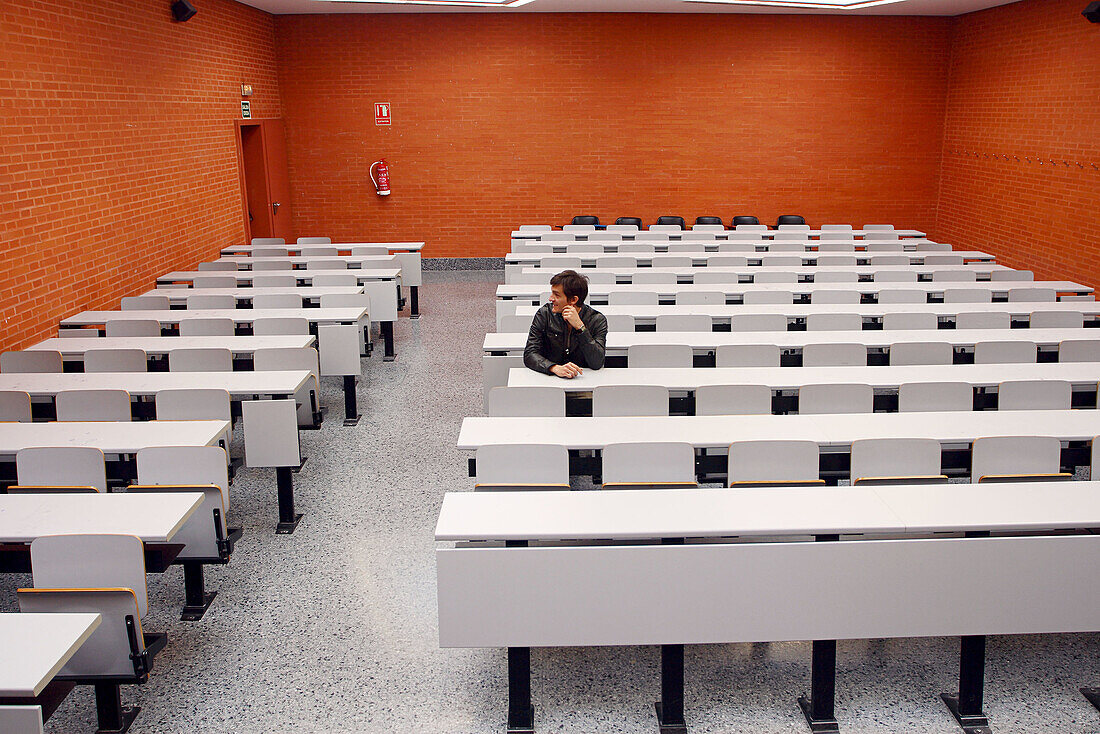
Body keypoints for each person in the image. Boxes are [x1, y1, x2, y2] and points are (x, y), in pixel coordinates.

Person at [523, 270, 607, 378]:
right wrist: (554, 368)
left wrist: (581, 328)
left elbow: (597, 363)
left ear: (573, 300)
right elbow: (530, 354)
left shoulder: (597, 320)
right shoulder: (544, 314)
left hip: (583, 379)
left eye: (556, 295)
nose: (550, 298)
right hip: (549, 378)